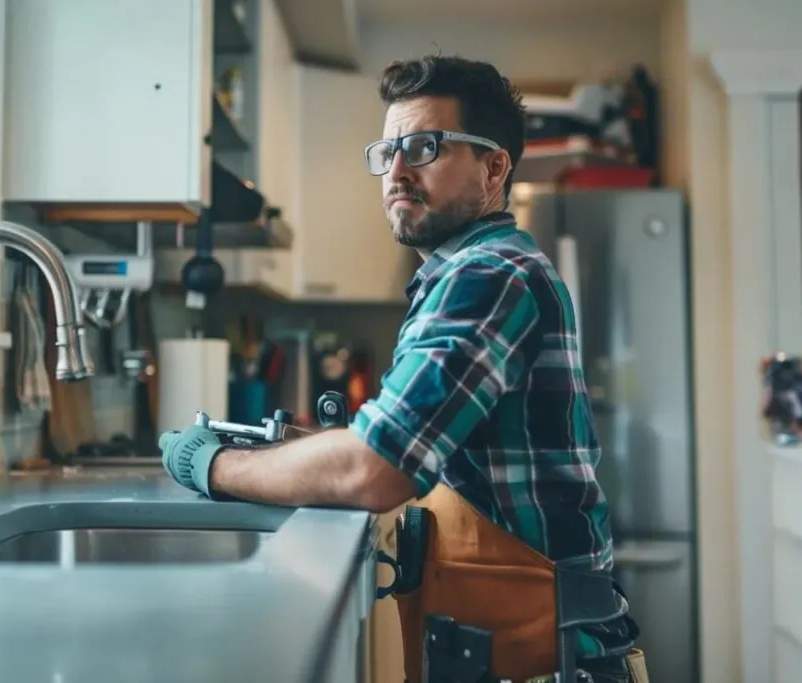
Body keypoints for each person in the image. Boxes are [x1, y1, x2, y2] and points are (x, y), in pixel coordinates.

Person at [160, 54, 648, 683]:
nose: (394, 172)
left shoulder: (488, 274)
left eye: (421, 147)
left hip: (548, 663)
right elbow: (404, 444)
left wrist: (215, 466)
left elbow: (377, 470)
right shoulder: (460, 273)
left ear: (493, 165)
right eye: (385, 151)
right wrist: (293, 446)